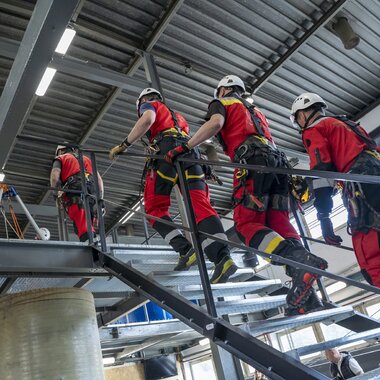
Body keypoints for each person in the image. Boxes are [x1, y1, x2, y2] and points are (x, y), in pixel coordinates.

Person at [164, 75, 328, 315]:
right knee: (279, 225)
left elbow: (216, 124)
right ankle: (306, 292)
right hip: (278, 166)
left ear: (225, 89)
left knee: (247, 225)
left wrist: (186, 146)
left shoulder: (223, 103)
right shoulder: (255, 110)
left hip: (252, 163)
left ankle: (300, 261)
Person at [108, 88, 237, 284]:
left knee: (154, 208)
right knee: (200, 205)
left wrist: (124, 145)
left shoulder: (149, 105)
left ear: (143, 100)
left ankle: (185, 250)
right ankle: (223, 258)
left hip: (166, 155)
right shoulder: (178, 117)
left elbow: (147, 120)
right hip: (190, 153)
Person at [290, 93, 380, 287]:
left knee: (370, 249)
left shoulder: (314, 128)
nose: (299, 123)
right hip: (375, 174)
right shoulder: (346, 124)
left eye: (298, 118)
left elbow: (322, 171)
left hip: (362, 185)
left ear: (303, 114)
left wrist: (323, 216)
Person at [50, 145, 104, 242]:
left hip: (75, 190)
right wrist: (101, 201)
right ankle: (93, 240)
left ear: (60, 151)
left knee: (82, 220)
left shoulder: (61, 158)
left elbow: (54, 177)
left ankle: (90, 246)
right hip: (91, 192)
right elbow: (99, 181)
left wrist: (55, 196)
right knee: (88, 219)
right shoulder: (86, 158)